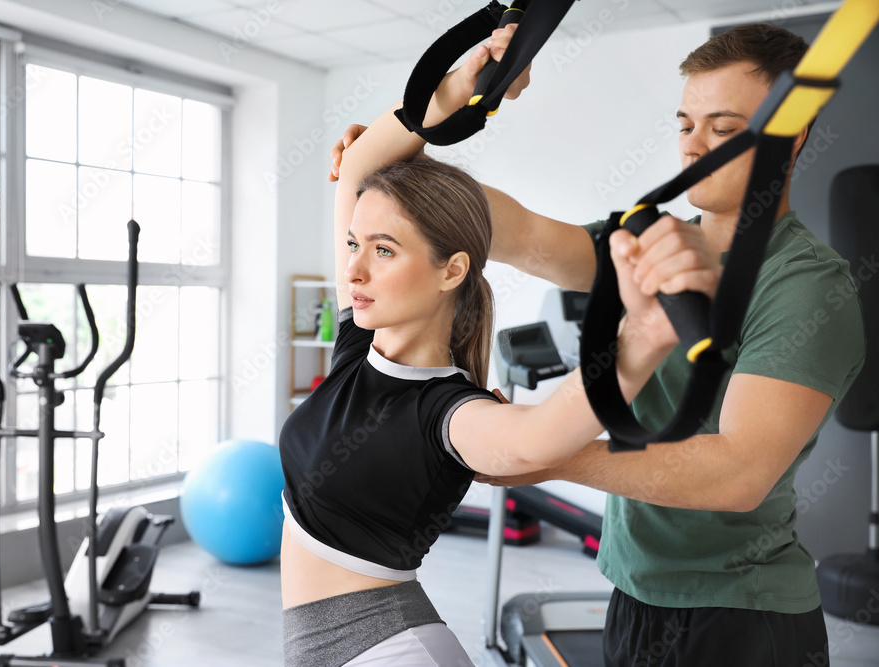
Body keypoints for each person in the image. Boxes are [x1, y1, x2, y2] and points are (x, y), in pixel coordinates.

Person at [330, 21, 866, 667]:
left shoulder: (805, 285)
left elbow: (740, 473)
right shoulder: (647, 242)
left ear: (792, 134)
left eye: (722, 129)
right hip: (632, 589)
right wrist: (447, 103)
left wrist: (550, 456)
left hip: (740, 613)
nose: (694, 146)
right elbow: (456, 211)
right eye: (685, 123)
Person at [279, 27, 723, 667]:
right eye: (354, 244)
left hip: (388, 652)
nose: (352, 270)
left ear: (451, 269)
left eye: (384, 250)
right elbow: (355, 170)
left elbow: (536, 437)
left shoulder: (450, 412)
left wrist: (646, 334)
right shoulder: (357, 346)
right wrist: (458, 93)